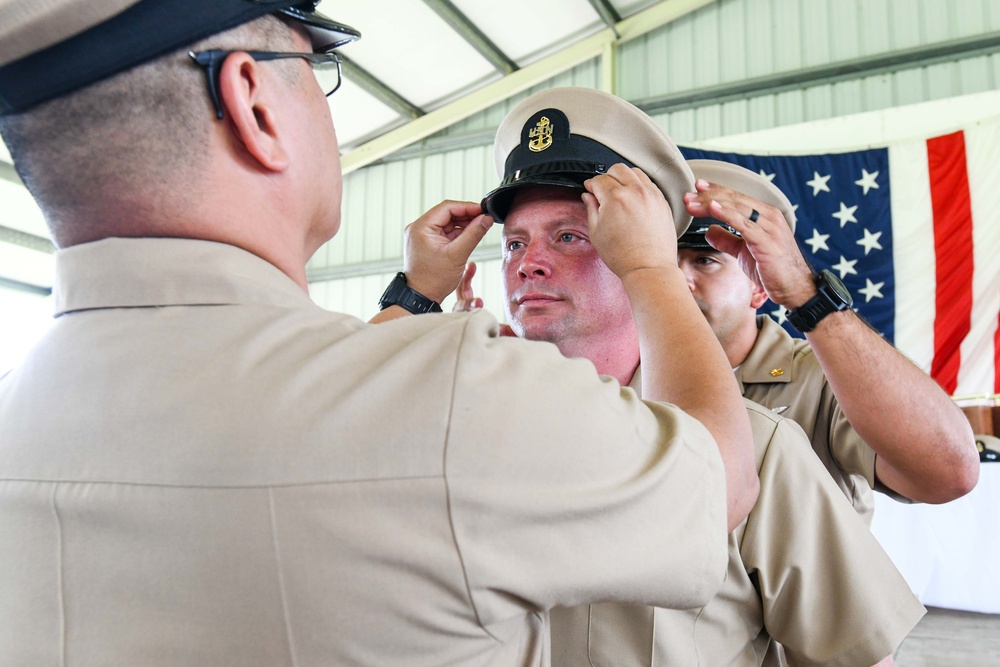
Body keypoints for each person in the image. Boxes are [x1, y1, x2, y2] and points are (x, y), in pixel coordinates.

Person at [0, 2, 759, 664]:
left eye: (570, 235)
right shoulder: (464, 396)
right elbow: (715, 476)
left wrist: (412, 295)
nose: (530, 263)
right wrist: (654, 270)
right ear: (253, 101)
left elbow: (308, 408)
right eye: (314, 68)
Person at [459, 86, 925, 665]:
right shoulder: (465, 430)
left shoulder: (759, 447)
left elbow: (852, 654)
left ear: (635, 251)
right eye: (513, 243)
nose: (527, 262)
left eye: (570, 237)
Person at [679, 159, 980, 522]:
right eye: (665, 261)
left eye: (705, 260)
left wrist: (808, 296)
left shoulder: (823, 374)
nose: (678, 279)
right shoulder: (629, 376)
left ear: (758, 287)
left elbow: (949, 470)